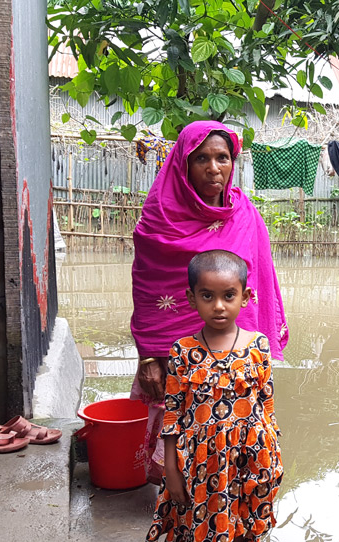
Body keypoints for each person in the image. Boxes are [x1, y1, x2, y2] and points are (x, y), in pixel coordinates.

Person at [131, 121, 289, 485]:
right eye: (201, 158)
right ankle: (187, 510)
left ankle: (227, 511)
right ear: (183, 163)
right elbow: (146, 290)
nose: (213, 168)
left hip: (235, 358)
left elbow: (258, 285)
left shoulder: (245, 215)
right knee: (179, 457)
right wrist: (148, 357)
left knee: (233, 454)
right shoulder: (160, 219)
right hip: (176, 357)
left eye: (222, 158)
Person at [146, 250, 283, 542]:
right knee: (198, 528)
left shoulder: (259, 346)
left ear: (246, 297)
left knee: (237, 527)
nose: (218, 305)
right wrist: (171, 470)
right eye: (208, 296)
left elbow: (267, 404)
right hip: (199, 463)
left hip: (247, 460)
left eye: (228, 296)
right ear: (191, 298)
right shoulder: (183, 351)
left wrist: (273, 458)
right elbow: (173, 414)